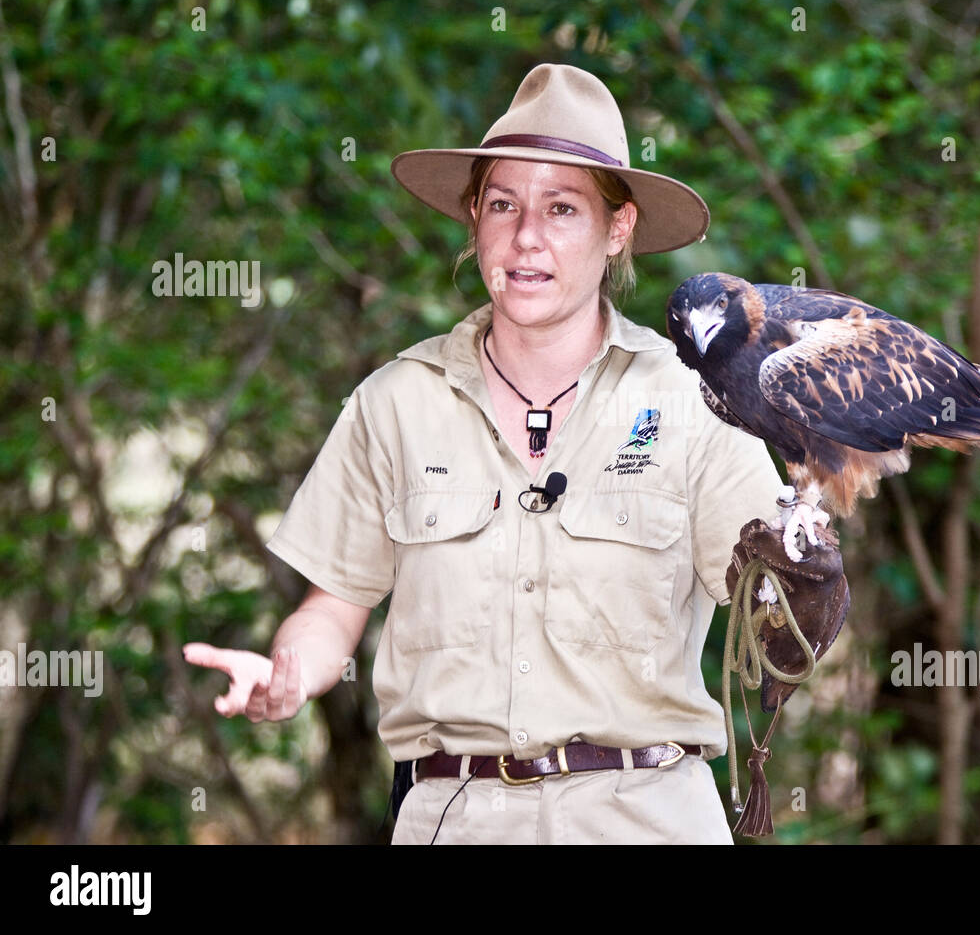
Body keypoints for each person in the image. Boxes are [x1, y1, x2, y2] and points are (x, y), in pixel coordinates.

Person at [184, 63, 786, 844]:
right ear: (474, 220)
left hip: (648, 818)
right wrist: (288, 673)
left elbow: (777, 609)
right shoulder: (396, 403)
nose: (526, 236)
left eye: (563, 208)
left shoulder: (695, 399)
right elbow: (333, 607)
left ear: (618, 228)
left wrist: (805, 575)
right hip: (457, 819)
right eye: (502, 204)